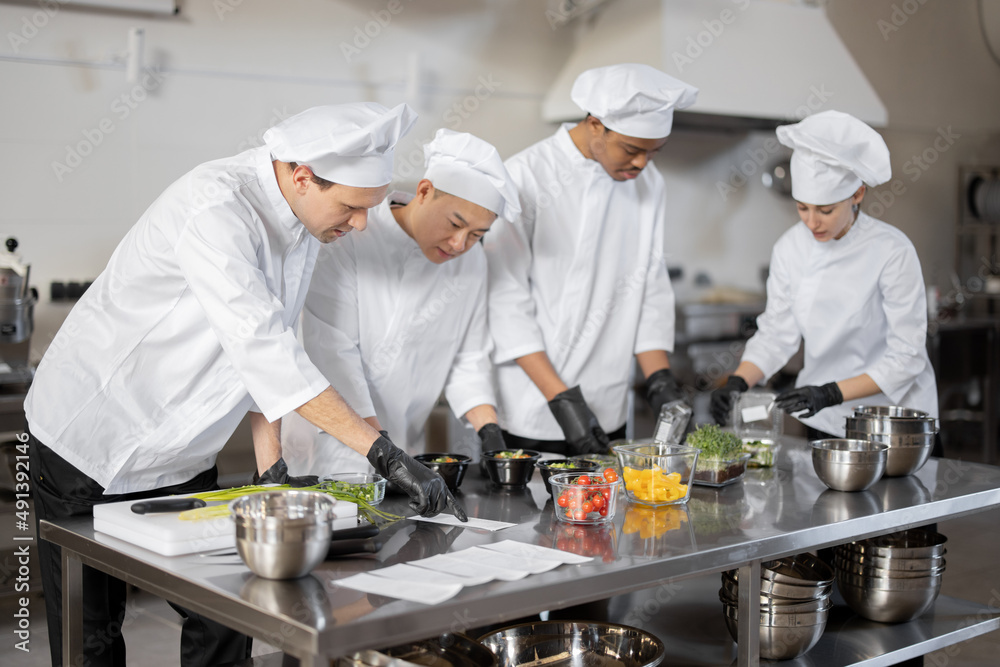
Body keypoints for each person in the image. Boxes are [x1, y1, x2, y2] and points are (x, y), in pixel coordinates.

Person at [25, 102, 466, 667]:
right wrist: (386, 455)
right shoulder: (214, 208)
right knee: (92, 632)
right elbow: (270, 351)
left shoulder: (306, 224)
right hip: (91, 438)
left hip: (183, 453)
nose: (360, 225)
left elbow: (268, 353)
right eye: (353, 208)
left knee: (223, 613)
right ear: (303, 176)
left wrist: (269, 469)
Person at [483, 63, 696, 456]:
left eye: (653, 153)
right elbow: (505, 302)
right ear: (596, 124)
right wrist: (562, 400)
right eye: (631, 150)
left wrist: (659, 379)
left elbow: (649, 284)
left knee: (605, 515)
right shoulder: (524, 176)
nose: (641, 165)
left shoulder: (649, 185)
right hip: (534, 405)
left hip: (608, 403)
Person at [281, 128, 520, 473]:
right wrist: (380, 448)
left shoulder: (472, 262)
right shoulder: (352, 235)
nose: (459, 244)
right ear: (424, 191)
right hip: (327, 444)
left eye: (476, 236)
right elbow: (334, 351)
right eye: (455, 223)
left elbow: (469, 357)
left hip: (405, 451)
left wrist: (490, 431)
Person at [710, 110, 939, 442]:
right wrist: (738, 382)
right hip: (823, 419)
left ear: (857, 194)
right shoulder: (790, 248)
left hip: (893, 422)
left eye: (826, 210)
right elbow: (776, 334)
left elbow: (907, 356)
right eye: (802, 207)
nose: (812, 222)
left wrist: (830, 391)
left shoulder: (892, 251)